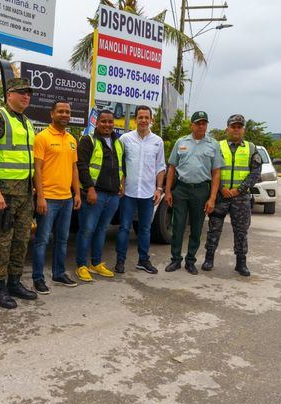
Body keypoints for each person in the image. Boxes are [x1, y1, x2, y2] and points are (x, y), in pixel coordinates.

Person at [0, 78, 38, 309]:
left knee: (22, 241)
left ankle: (15, 282)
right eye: (21, 92)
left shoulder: (26, 122)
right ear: (9, 95)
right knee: (3, 241)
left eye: (29, 93)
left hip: (24, 193)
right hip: (4, 193)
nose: (26, 96)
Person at [202, 114, 262, 276]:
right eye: (233, 126)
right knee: (214, 229)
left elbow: (255, 172)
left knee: (241, 231)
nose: (236, 129)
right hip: (220, 195)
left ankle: (241, 263)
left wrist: (239, 190)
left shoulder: (251, 148)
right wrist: (221, 188)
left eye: (239, 127)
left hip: (241, 198)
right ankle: (209, 259)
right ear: (227, 128)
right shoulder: (218, 146)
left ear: (243, 129)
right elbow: (210, 169)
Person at [31, 100, 81, 294]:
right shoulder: (42, 137)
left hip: (67, 199)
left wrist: (76, 193)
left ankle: (59, 273)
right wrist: (41, 197)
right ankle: (38, 278)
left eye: (67, 112)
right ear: (52, 114)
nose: (64, 114)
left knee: (62, 239)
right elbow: (37, 169)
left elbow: (73, 168)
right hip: (48, 199)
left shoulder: (71, 139)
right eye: (60, 111)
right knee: (42, 240)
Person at [164, 111, 223, 275]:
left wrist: (211, 198)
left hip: (201, 190)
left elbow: (216, 172)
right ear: (192, 125)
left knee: (196, 227)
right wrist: (168, 191)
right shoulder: (181, 142)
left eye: (204, 123)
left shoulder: (213, 144)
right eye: (198, 123)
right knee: (178, 226)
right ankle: (175, 260)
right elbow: (172, 168)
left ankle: (190, 261)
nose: (201, 126)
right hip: (181, 189)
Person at [115, 105, 166, 274]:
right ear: (135, 119)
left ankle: (143, 260)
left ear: (151, 120)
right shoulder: (125, 139)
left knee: (145, 228)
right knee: (124, 227)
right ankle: (120, 261)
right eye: (140, 117)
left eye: (146, 117)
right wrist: (120, 184)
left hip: (147, 193)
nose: (143, 120)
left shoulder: (157, 141)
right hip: (128, 192)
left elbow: (160, 167)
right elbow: (120, 164)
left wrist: (159, 188)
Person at [75, 109, 123, 281]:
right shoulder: (88, 140)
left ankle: (96, 263)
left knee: (102, 230)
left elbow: (120, 167)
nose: (107, 125)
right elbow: (81, 166)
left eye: (110, 122)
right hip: (95, 194)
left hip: (112, 196)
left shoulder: (118, 142)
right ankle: (81, 265)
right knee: (87, 230)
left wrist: (121, 185)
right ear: (97, 122)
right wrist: (90, 189)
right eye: (103, 121)